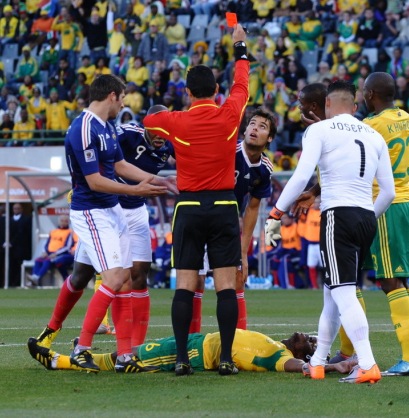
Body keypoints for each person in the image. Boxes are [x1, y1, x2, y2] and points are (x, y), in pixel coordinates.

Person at [264, 80, 395, 384]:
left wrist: (276, 213)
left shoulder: (320, 130)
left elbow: (301, 176)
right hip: (366, 215)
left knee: (343, 293)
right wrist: (367, 215)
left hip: (338, 214)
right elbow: (388, 192)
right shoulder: (374, 135)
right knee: (332, 294)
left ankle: (368, 363)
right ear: (354, 105)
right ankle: (319, 361)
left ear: (326, 104)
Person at [42, 75, 174, 374]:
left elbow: (119, 165)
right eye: (123, 97)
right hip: (92, 211)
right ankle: (81, 348)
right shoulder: (83, 128)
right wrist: (137, 190)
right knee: (111, 277)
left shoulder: (107, 126)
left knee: (125, 278)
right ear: (112, 95)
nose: (124, 103)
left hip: (112, 209)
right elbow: (95, 181)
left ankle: (125, 355)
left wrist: (156, 180)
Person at [142, 25, 250, 377]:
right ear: (216, 90)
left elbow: (149, 120)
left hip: (188, 208)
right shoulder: (229, 113)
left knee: (185, 286)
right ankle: (226, 359)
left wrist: (174, 114)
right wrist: (239, 46)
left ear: (187, 92)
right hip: (223, 206)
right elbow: (242, 84)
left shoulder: (176, 121)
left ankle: (181, 359)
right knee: (226, 286)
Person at [347, 72, 409, 376]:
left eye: (364, 91)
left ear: (370, 94)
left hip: (385, 204)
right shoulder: (406, 118)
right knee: (401, 280)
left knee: (390, 280)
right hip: (407, 201)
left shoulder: (372, 125)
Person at [190, 108, 275, 332]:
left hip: (227, 223)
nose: (254, 128)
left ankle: (239, 342)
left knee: (237, 278)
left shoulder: (264, 169)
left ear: (270, 138)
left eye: (262, 126)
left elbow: (252, 208)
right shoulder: (228, 149)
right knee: (195, 280)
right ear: (245, 129)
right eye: (252, 123)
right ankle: (190, 342)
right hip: (201, 215)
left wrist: (243, 252)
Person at [27, 330, 355, 375]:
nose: (305, 336)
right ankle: (72, 356)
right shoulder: (277, 345)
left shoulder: (280, 358)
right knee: (126, 354)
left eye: (311, 343)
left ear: (305, 354)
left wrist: (331, 367)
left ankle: (59, 362)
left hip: (197, 353)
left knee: (129, 359)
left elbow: (299, 368)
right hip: (197, 341)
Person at [26, 215, 75, 287]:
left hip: (61, 254)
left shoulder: (69, 232)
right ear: (59, 221)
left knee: (48, 261)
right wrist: (45, 252)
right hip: (50, 254)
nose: (63, 222)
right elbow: (47, 244)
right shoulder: (53, 232)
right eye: (62, 221)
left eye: (66, 221)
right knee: (38, 260)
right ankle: (34, 278)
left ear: (68, 222)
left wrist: (56, 253)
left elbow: (68, 247)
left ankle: (36, 278)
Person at [7, 203, 32, 287]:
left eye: (18, 208)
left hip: (22, 248)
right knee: (11, 266)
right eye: (15, 208)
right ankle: (11, 283)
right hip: (11, 249)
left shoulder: (27, 219)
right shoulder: (9, 220)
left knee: (20, 266)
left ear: (21, 209)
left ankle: (19, 283)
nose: (16, 210)